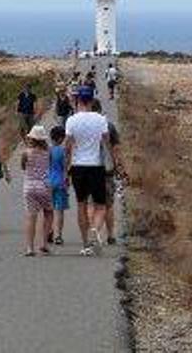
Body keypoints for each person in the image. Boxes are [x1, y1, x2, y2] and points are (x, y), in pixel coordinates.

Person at [65, 86, 120, 256]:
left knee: (81, 204)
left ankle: (86, 243)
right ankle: (95, 229)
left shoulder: (71, 120)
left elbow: (68, 146)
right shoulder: (101, 120)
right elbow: (107, 143)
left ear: (78, 100)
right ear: (92, 100)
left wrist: (66, 169)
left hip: (78, 166)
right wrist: (115, 163)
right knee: (101, 205)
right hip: (96, 166)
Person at [91, 99, 122, 245]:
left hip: (89, 168)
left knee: (93, 203)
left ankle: (93, 230)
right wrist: (119, 166)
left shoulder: (85, 126)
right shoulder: (109, 126)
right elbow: (116, 149)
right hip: (107, 169)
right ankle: (110, 235)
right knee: (108, 204)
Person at [21, 125, 53, 256]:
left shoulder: (25, 153)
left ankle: (29, 247)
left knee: (31, 217)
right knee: (49, 213)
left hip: (29, 186)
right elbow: (49, 166)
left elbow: (23, 167)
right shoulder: (48, 152)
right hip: (44, 186)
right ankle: (44, 243)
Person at [48, 126, 69, 245]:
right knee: (59, 210)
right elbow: (65, 168)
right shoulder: (62, 151)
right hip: (60, 181)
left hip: (48, 182)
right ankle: (58, 236)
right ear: (61, 138)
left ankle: (49, 231)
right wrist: (67, 181)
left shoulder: (47, 150)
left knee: (49, 209)